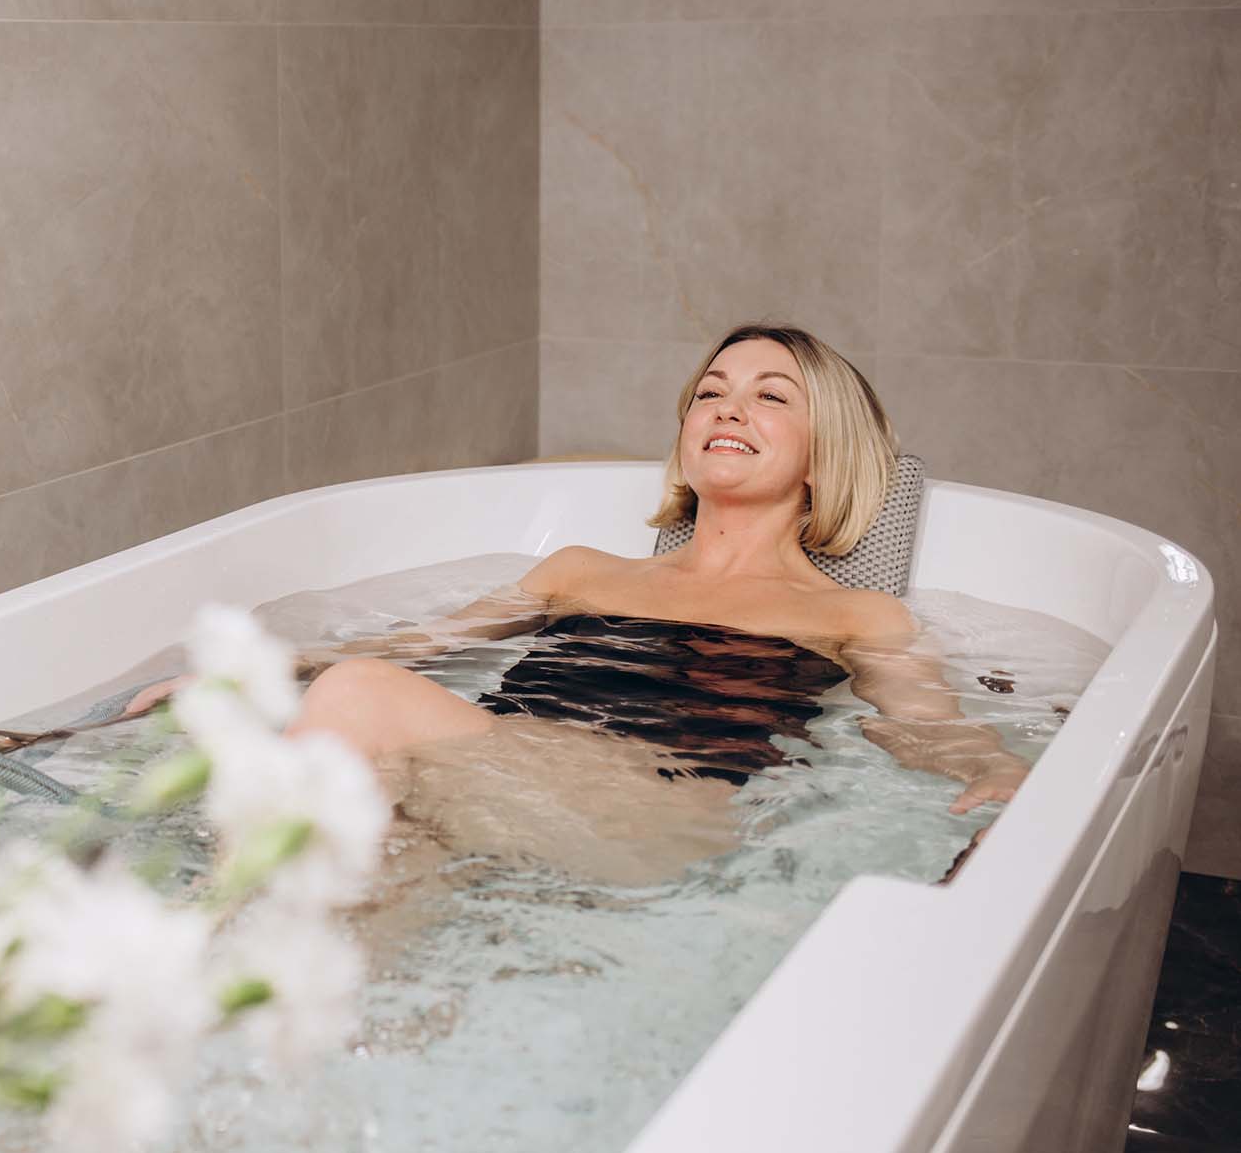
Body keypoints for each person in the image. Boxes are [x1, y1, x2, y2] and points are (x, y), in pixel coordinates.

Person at [127, 322, 1031, 820]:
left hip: (663, 810)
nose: (729, 407)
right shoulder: (582, 572)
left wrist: (1001, 773)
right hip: (514, 777)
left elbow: (928, 727)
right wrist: (238, 675)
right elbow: (418, 645)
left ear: (823, 451)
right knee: (370, 888)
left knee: (365, 711)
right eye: (710, 392)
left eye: (770, 397)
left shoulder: (856, 614)